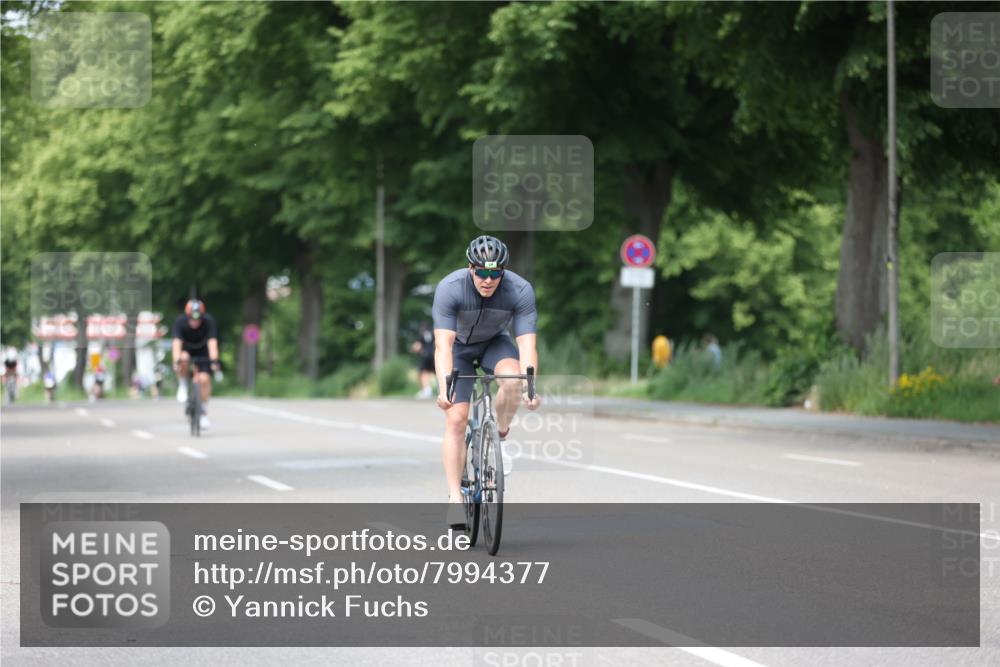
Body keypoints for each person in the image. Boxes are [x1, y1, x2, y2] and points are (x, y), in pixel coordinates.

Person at [432, 235, 540, 527]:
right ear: (470, 268)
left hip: (495, 343)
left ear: (503, 271)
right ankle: (455, 497)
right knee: (456, 419)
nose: (488, 280)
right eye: (482, 272)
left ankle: (501, 434)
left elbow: (527, 345)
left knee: (513, 381)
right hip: (459, 349)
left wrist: (531, 388)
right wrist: (444, 390)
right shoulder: (450, 289)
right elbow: (443, 346)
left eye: (495, 273)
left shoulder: (520, 290)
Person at [172, 299, 220, 430]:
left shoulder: (209, 321)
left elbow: (212, 343)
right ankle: (183, 384)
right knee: (183, 358)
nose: (195, 321)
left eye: (198, 319)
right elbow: (176, 344)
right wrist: (176, 362)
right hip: (187, 349)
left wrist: (214, 361)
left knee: (205, 379)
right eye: (192, 318)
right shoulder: (180, 322)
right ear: (187, 316)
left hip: (203, 351)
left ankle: (203, 411)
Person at [410, 324, 436, 399]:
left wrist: (413, 349)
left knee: (424, 373)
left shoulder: (421, 337)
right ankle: (442, 390)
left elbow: (417, 347)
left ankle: (427, 390)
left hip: (426, 356)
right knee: (438, 372)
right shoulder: (433, 334)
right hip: (434, 355)